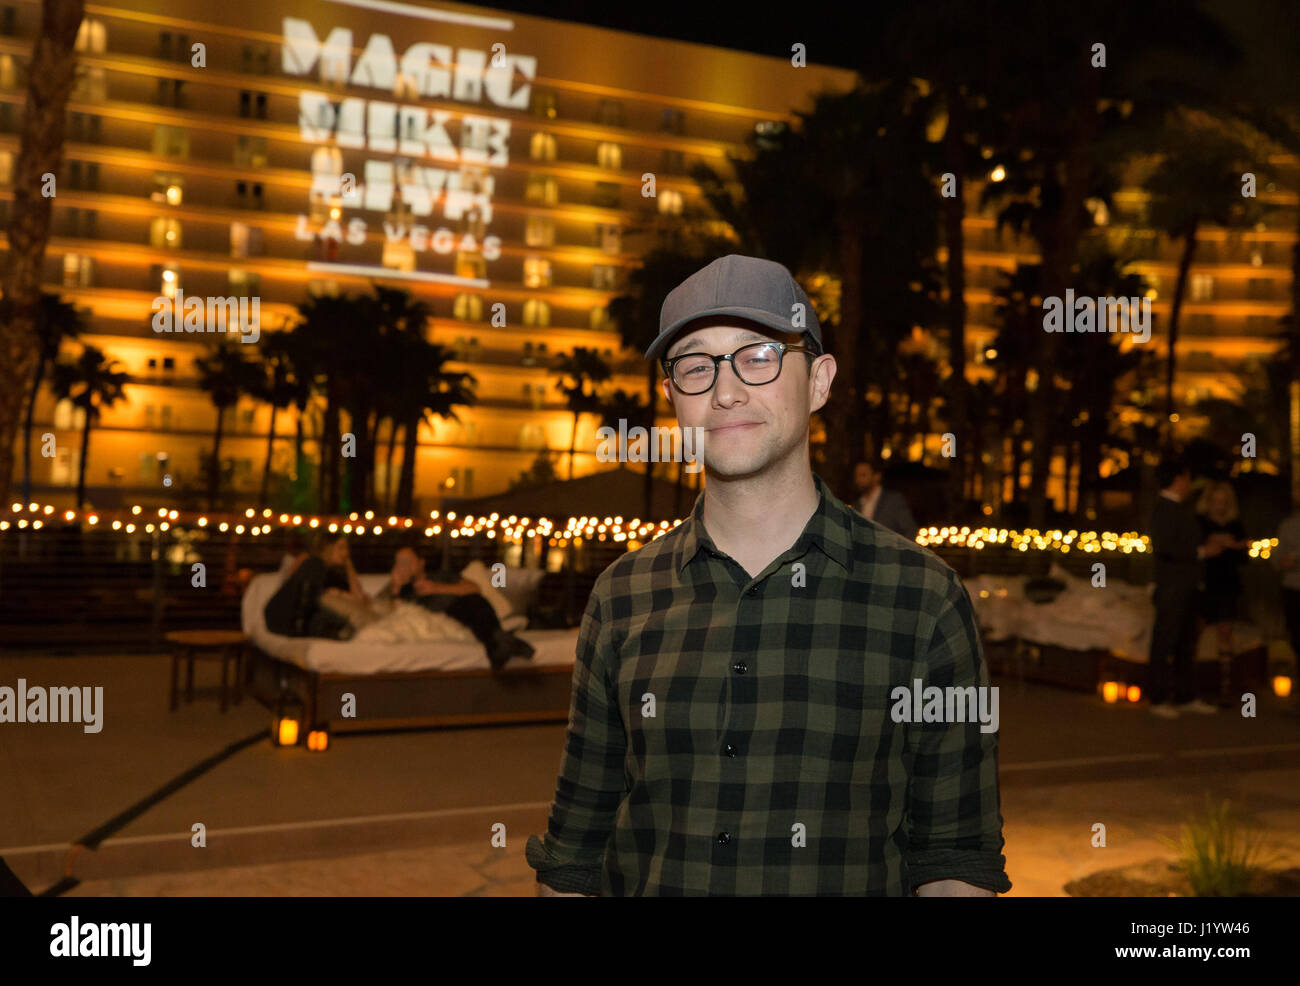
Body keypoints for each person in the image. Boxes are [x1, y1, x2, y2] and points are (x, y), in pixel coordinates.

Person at [526, 254, 1011, 897]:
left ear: (819, 380)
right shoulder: (621, 597)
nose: (725, 391)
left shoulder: (923, 598)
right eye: (696, 365)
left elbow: (956, 858)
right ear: (672, 397)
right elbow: (574, 855)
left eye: (757, 355)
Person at [377, 545, 534, 671]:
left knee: (475, 601)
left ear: (421, 562)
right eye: (400, 563)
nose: (404, 566)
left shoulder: (440, 576)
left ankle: (498, 645)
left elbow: (474, 588)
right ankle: (504, 642)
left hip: (462, 607)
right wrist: (396, 588)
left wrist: (437, 588)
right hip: (440, 622)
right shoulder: (396, 589)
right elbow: (389, 616)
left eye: (408, 562)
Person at [1148, 458, 1219, 718]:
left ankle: (1185, 694)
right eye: (1187, 478)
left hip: (1187, 585)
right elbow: (1166, 547)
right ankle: (1157, 698)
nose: (1189, 484)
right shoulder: (1164, 508)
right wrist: (1201, 551)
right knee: (1165, 640)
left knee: (1186, 642)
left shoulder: (1180, 508)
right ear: (1178, 479)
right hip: (1172, 586)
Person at [1195, 480, 1250, 683]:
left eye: (1223, 502)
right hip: (1203, 583)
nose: (1220, 506)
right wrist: (1211, 545)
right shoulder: (1199, 523)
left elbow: (1244, 558)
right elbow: (1191, 552)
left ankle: (1224, 683)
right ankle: (1193, 682)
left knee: (1226, 632)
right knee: (1195, 631)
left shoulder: (1236, 525)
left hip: (1227, 584)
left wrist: (1233, 545)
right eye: (1216, 502)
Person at [263, 533, 363, 640]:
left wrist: (349, 565)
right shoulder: (313, 563)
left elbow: (359, 598)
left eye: (347, 549)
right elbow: (303, 600)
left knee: (346, 622)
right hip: (284, 619)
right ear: (328, 547)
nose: (346, 553)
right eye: (341, 547)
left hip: (304, 618)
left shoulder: (334, 573)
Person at [852, 458, 917, 538]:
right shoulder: (857, 504)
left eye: (863, 475)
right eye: (856, 476)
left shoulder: (893, 501)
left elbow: (910, 530)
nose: (858, 480)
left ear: (877, 476)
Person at [1273, 495, 1300, 672]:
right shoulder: (1289, 525)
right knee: (1296, 633)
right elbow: (1277, 558)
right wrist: (1283, 562)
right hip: (1293, 588)